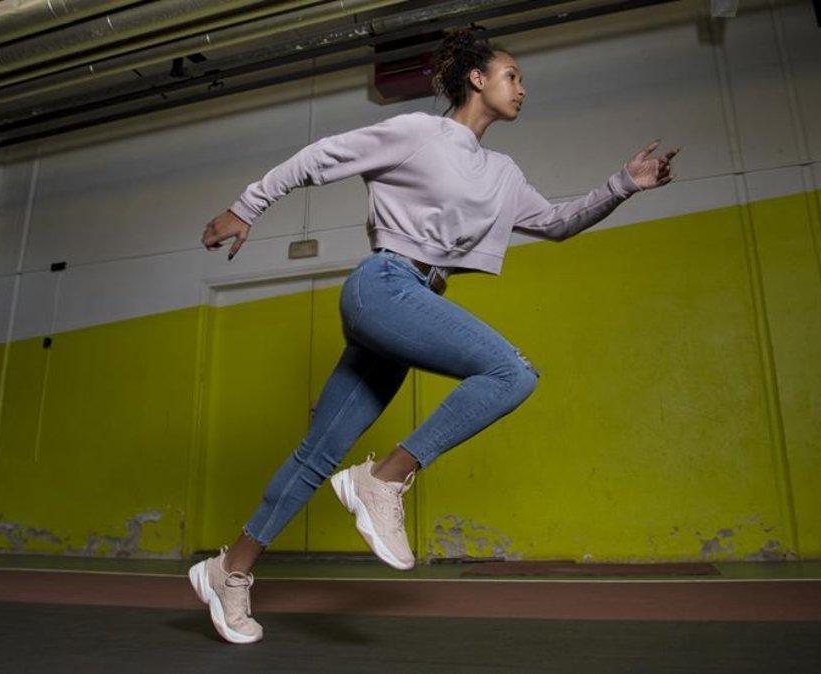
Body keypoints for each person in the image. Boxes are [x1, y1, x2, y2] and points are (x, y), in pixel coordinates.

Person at [189, 26, 679, 644]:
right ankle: (385, 477)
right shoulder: (420, 133)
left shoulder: (502, 173)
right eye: (512, 76)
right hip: (384, 283)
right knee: (510, 372)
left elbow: (557, 223)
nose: (522, 89)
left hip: (415, 299)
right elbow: (320, 157)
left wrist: (622, 185)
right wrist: (248, 206)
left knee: (317, 453)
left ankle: (228, 570)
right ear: (477, 79)